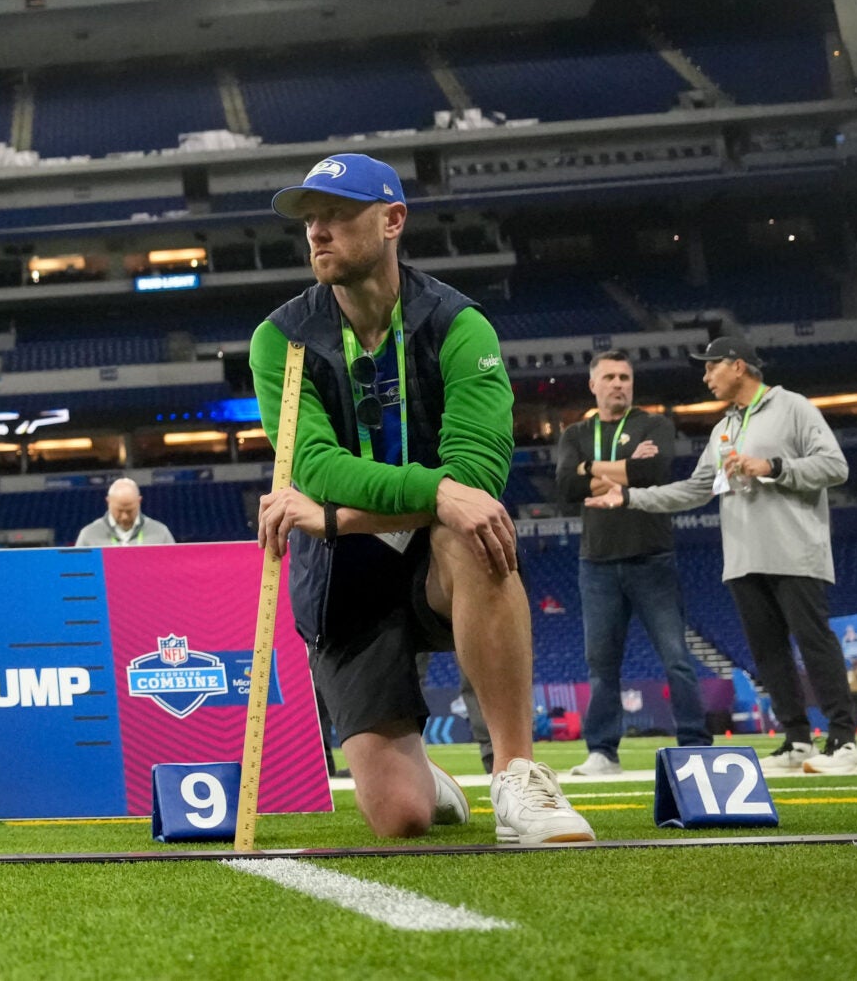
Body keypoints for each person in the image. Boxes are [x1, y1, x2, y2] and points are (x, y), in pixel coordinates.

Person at [248, 154, 594, 845]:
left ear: (393, 219)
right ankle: (425, 774)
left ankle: (517, 774)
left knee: (472, 529)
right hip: (341, 581)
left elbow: (478, 476)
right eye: (310, 219)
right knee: (402, 818)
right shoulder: (280, 339)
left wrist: (331, 517)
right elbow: (315, 466)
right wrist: (430, 491)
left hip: (433, 561)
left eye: (338, 214)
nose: (317, 232)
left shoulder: (461, 326)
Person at [590, 336, 857, 773]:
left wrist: (773, 466)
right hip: (742, 558)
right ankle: (796, 740)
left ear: (737, 367)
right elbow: (696, 490)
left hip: (794, 551)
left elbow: (835, 466)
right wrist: (630, 498)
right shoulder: (723, 429)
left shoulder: (793, 407)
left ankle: (845, 743)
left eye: (711, 366)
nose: (705, 376)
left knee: (814, 643)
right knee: (768, 652)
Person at [553, 351, 708, 778]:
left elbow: (655, 470)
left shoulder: (654, 424)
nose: (618, 383)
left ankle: (696, 745)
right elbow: (567, 484)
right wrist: (624, 468)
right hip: (596, 564)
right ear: (593, 385)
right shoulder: (575, 433)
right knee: (601, 665)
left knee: (676, 657)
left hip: (652, 558)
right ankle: (602, 752)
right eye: (609, 377)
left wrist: (593, 468)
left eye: (625, 377)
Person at [75, 478, 173, 548]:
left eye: (130, 511)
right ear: (108, 502)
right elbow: (77, 572)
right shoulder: (88, 535)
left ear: (139, 501)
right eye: (119, 510)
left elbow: (174, 570)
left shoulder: (160, 533)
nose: (124, 517)